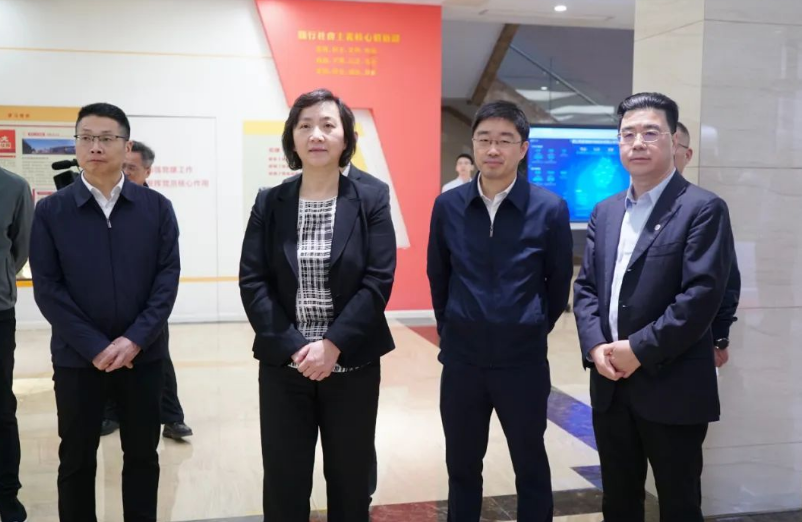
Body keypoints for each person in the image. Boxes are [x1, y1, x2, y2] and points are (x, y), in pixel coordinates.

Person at [573, 92, 734, 522]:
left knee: (679, 503)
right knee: (619, 501)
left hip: (672, 384)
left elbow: (700, 297)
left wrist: (638, 349)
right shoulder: (606, 211)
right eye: (628, 134)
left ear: (673, 140)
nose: (637, 143)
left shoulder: (702, 208)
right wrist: (595, 346)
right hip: (610, 383)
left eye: (650, 133)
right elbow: (586, 287)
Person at [239, 88, 396, 522]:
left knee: (350, 480)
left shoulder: (371, 198)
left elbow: (377, 280)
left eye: (328, 125)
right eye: (305, 125)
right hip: (284, 366)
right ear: (292, 138)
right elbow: (253, 280)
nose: (316, 135)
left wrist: (332, 345)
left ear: (346, 138)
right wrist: (296, 346)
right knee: (284, 482)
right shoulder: (270, 201)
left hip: (352, 364)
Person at [29, 103, 180, 522]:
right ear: (76, 144)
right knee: (76, 457)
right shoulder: (52, 211)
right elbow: (48, 288)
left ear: (126, 146)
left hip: (143, 358)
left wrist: (134, 340)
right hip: (78, 359)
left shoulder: (156, 207)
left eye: (107, 138)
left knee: (143, 456)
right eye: (86, 138)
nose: (95, 147)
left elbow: (166, 280)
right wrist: (95, 346)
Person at [427, 100, 573, 521]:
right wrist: (454, 327)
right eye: (484, 139)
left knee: (530, 465)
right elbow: (439, 274)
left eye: (505, 140)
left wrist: (529, 327)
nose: (493, 149)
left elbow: (558, 282)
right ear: (473, 144)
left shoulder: (549, 208)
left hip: (522, 364)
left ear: (523, 149)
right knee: (461, 468)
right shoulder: (448, 206)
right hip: (462, 363)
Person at [98, 141, 193, 440]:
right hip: (108, 300)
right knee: (108, 354)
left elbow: (168, 263)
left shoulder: (157, 207)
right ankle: (110, 413)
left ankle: (173, 418)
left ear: (147, 171)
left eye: (131, 168)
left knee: (159, 358)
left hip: (148, 303)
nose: (124, 172)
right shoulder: (102, 203)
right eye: (122, 165)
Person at [674, 121, 740, 368]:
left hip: (687, 345)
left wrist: (720, 336)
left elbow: (726, 280)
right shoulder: (616, 209)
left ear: (687, 154)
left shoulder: (705, 208)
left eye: (672, 146)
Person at [0, 167, 33, 522]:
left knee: (1, 407)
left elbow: (21, 248)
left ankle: (6, 493)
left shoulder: (13, 187)